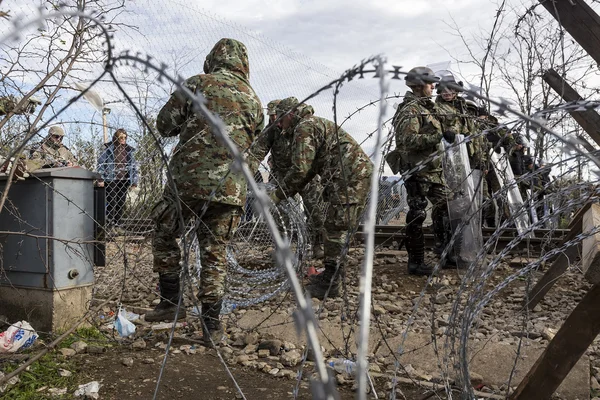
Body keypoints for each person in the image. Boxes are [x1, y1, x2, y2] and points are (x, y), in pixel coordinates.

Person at [145, 38, 264, 347]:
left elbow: (164, 124)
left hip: (189, 181)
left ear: (213, 59)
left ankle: (171, 302)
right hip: (230, 187)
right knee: (215, 252)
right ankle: (212, 327)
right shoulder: (254, 100)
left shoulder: (199, 83)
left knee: (164, 231)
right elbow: (256, 139)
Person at [271, 97, 373, 299]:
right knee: (336, 225)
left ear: (289, 115)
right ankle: (332, 275)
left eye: (280, 121)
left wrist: (276, 195)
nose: (279, 126)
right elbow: (307, 171)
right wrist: (284, 193)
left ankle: (332, 284)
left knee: (336, 227)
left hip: (349, 178)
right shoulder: (310, 124)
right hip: (348, 176)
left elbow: (300, 169)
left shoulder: (304, 127)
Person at [385, 66, 447, 276]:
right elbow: (407, 140)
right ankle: (416, 262)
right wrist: (438, 137)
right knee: (417, 213)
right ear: (421, 86)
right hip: (417, 170)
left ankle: (446, 251)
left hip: (432, 170)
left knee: (445, 206)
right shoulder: (411, 109)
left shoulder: (426, 108)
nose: (433, 87)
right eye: (431, 84)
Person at [247, 99, 327, 259]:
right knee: (280, 213)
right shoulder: (271, 130)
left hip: (306, 175)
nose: (275, 120)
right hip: (282, 176)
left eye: (278, 116)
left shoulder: (301, 126)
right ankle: (283, 247)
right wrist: (246, 171)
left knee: (315, 210)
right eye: (272, 117)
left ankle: (319, 244)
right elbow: (257, 152)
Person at [434, 74, 487, 266]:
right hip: (446, 161)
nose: (447, 93)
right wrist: (443, 134)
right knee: (445, 205)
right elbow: (432, 131)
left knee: (464, 205)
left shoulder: (465, 108)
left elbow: (475, 135)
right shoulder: (435, 108)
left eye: (451, 89)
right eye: (444, 89)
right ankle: (443, 247)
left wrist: (480, 159)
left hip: (465, 161)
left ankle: (458, 249)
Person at [97, 129, 139, 228]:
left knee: (120, 203)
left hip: (124, 180)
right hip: (111, 179)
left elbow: (133, 167)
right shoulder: (109, 149)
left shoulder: (128, 150)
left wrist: (134, 181)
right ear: (116, 138)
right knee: (112, 202)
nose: (123, 139)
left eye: (125, 137)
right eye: (121, 137)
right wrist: (101, 178)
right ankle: (109, 226)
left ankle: (118, 225)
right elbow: (101, 164)